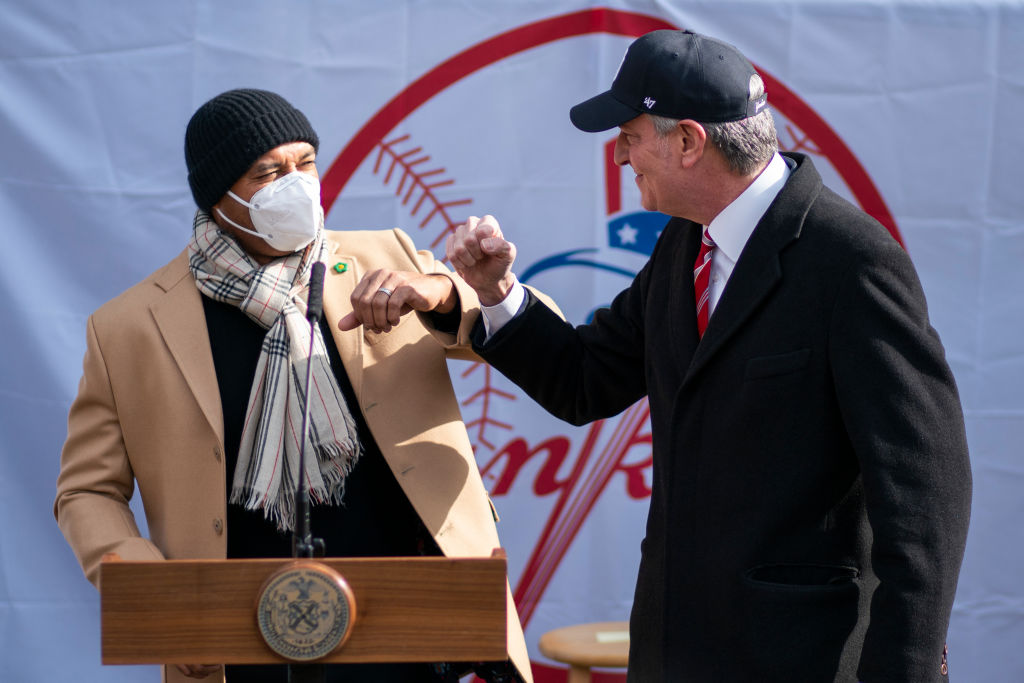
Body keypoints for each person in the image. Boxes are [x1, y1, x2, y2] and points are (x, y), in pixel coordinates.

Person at [441, 30, 972, 682]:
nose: (619, 155)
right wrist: (496, 292)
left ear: (689, 141)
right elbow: (586, 378)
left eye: (630, 135)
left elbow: (923, 498)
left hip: (803, 661)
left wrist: (904, 671)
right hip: (674, 655)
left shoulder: (852, 260)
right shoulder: (683, 244)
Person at [54, 88, 531, 683]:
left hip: (411, 631)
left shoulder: (384, 259)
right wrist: (152, 588)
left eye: (306, 163)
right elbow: (87, 490)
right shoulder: (128, 327)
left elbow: (526, 336)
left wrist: (445, 292)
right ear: (218, 195)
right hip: (235, 644)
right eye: (268, 172)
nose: (297, 185)